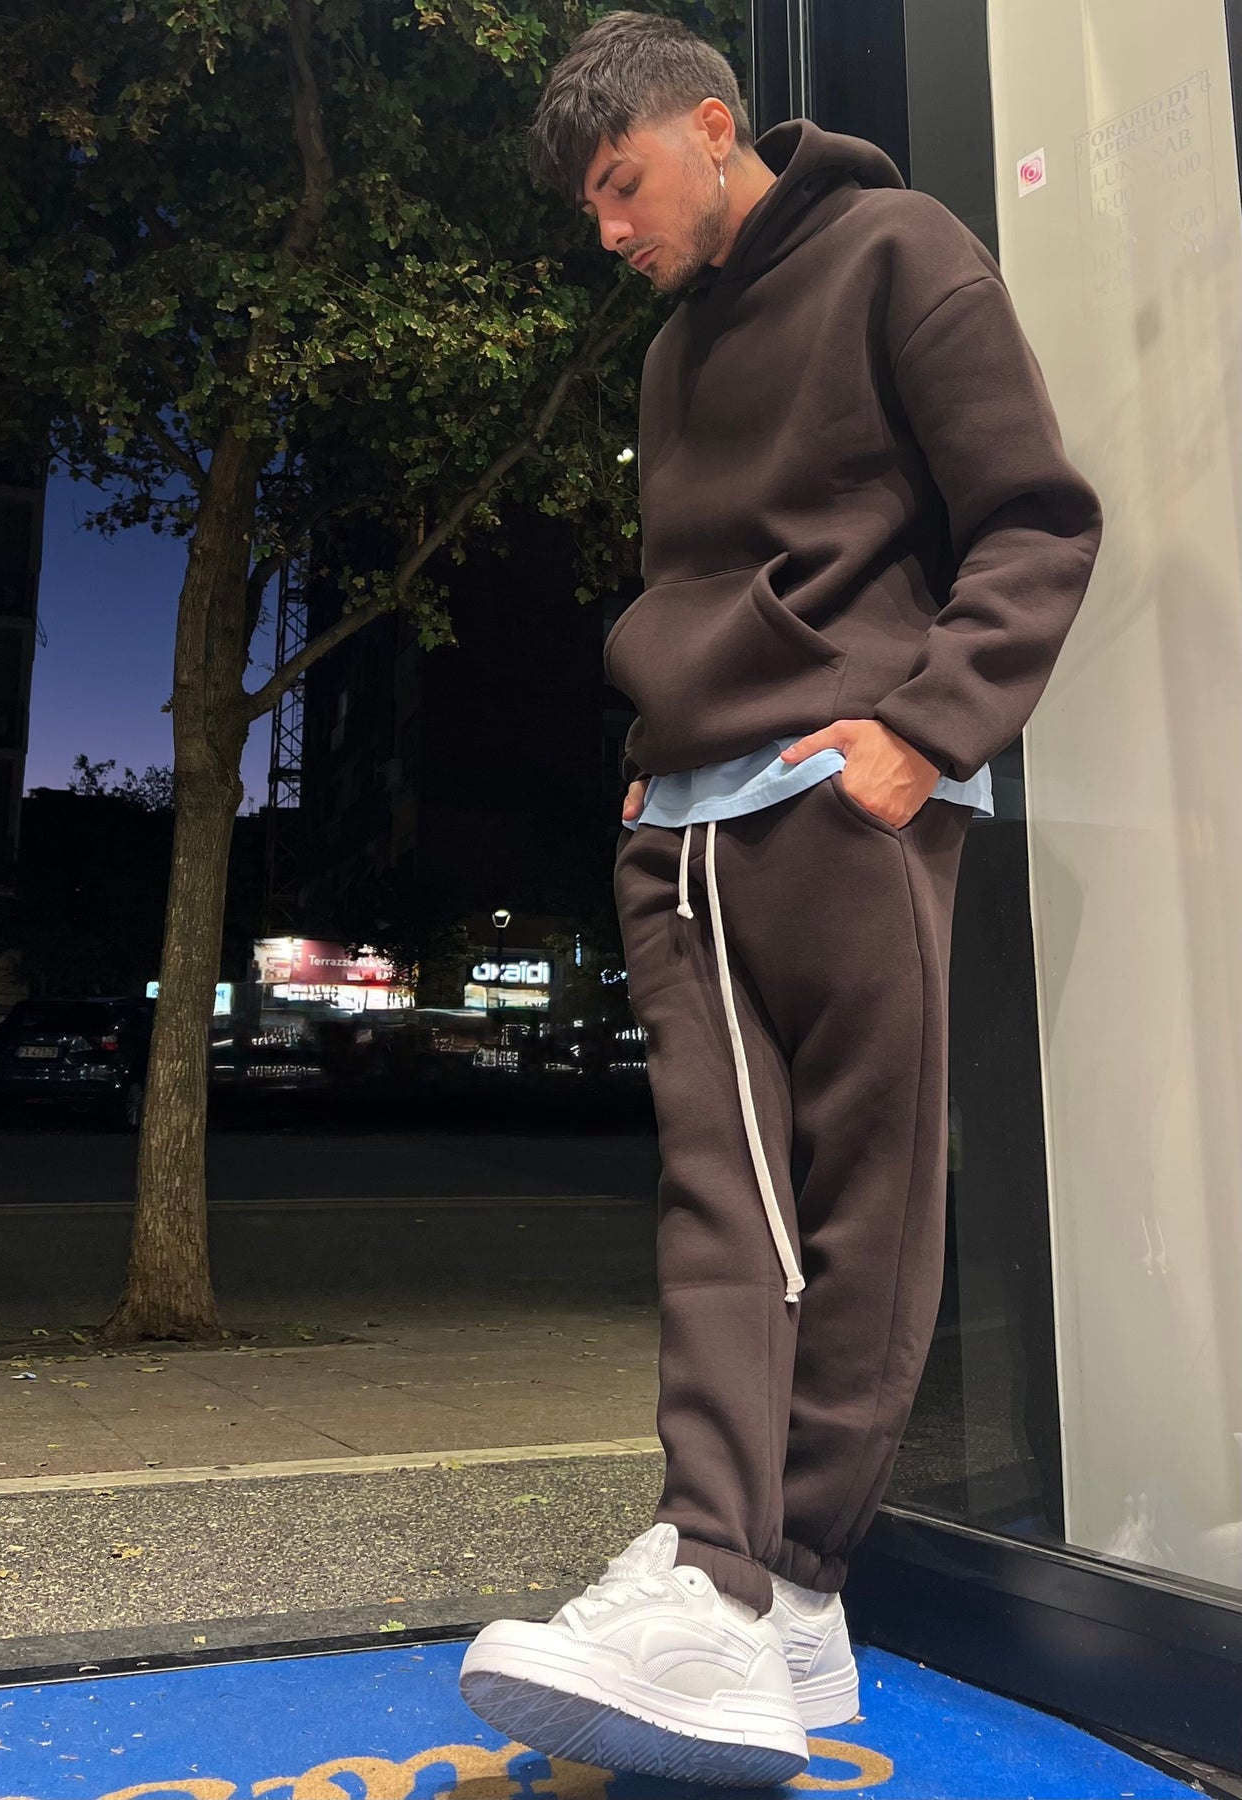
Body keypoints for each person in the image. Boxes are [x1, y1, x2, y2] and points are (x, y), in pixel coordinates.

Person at [459, 10, 1103, 1787]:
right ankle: (735, 1583)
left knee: (866, 1209)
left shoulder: (900, 252)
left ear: (711, 124)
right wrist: (656, 760)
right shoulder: (676, 355)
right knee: (718, 1208)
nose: (610, 230)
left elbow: (1037, 518)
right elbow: (695, 591)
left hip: (840, 806)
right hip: (680, 829)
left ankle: (766, 1581)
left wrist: (925, 731)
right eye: (590, 208)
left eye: (622, 185)